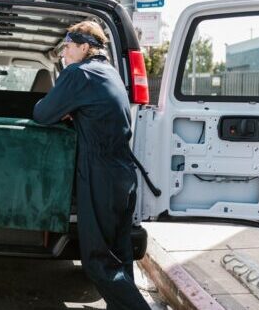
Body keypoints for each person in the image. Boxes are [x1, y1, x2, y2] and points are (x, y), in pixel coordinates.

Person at [33, 21, 150, 310]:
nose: (65, 53)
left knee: (97, 262)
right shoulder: (110, 73)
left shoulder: (79, 73)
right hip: (124, 175)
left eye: (69, 47)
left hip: (100, 175)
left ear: (85, 47)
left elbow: (42, 114)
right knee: (119, 257)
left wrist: (68, 112)